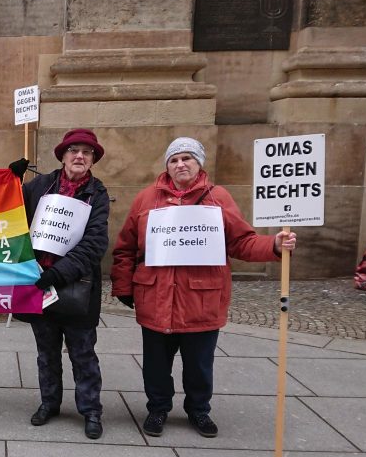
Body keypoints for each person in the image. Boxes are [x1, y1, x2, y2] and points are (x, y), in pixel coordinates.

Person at [111, 137, 297, 438]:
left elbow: (241, 242)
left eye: (187, 158)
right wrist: (123, 288)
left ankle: (199, 410)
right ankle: (158, 408)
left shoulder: (218, 197)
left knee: (199, 365)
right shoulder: (146, 199)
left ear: (199, 163)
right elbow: (125, 248)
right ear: (167, 166)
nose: (180, 164)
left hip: (201, 298)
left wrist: (273, 245)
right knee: (155, 365)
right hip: (156, 296)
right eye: (174, 159)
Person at [10, 128, 110, 439]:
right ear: (63, 156)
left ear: (92, 159)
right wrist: (11, 181)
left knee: (83, 353)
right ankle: (49, 402)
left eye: (86, 152)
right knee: (47, 351)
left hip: (76, 284)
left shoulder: (98, 193)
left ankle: (90, 409)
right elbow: (9, 213)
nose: (79, 156)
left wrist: (60, 272)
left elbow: (95, 243)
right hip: (40, 284)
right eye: (73, 150)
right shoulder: (40, 185)